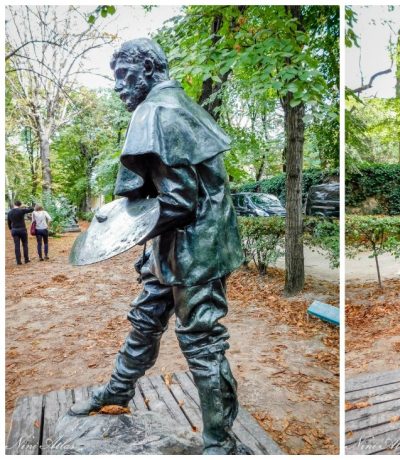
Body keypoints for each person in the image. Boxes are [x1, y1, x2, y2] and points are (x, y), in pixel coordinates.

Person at [66, 38, 246, 455]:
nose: (118, 87)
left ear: (148, 68)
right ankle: (117, 390)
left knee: (202, 339)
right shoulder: (177, 105)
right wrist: (148, 249)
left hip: (195, 249)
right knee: (145, 319)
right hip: (175, 245)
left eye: (123, 76)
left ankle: (220, 441)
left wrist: (129, 234)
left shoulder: (158, 111)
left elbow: (180, 201)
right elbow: (165, 199)